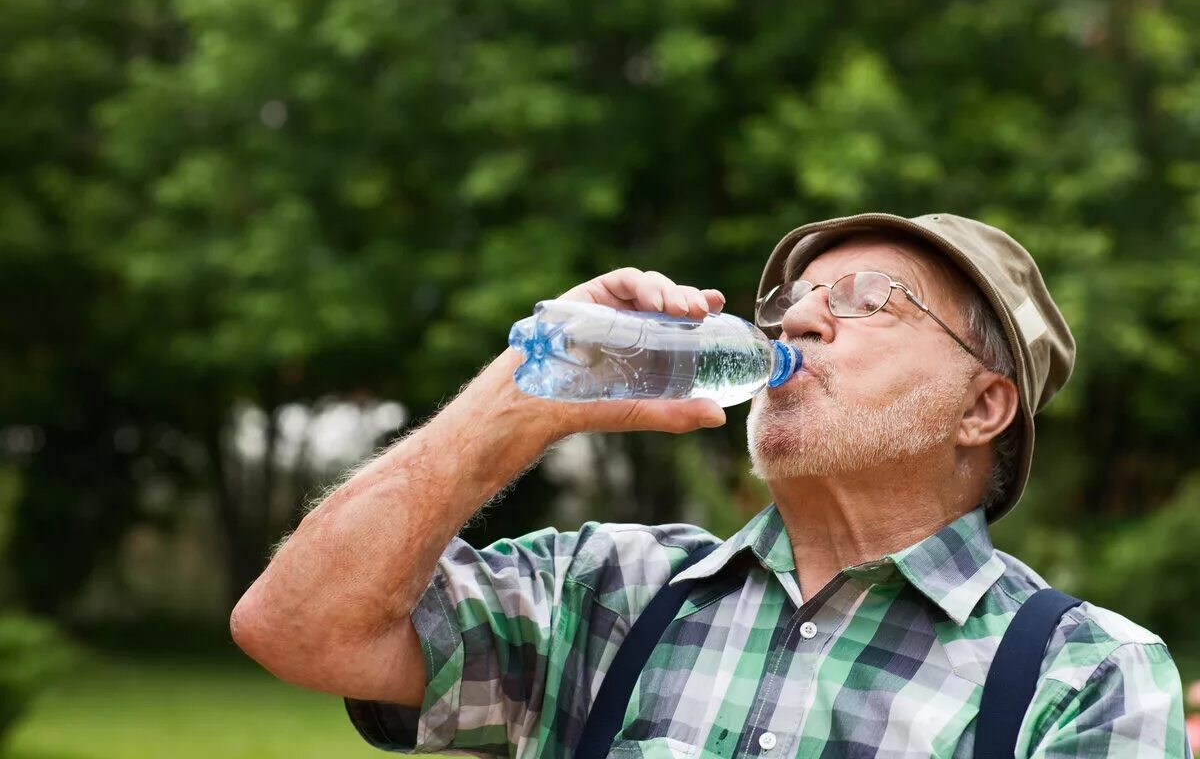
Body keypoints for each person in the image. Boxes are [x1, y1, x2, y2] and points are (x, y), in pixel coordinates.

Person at [231, 212, 1191, 757]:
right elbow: (297, 627)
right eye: (798, 300)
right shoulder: (605, 590)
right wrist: (522, 397)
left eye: (868, 303)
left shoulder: (1083, 675)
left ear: (982, 410)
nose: (802, 322)